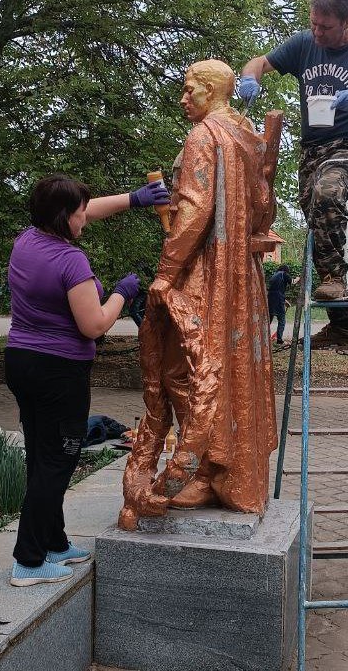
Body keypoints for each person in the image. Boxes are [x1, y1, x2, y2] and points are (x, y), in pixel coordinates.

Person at [118, 59, 280, 531]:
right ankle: (226, 472)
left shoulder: (203, 136)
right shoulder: (248, 135)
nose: (183, 98)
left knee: (189, 368)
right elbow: (263, 205)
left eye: (190, 90)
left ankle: (206, 469)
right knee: (228, 365)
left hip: (207, 273)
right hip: (240, 277)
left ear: (212, 91)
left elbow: (194, 209)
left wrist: (166, 273)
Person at [5, 173, 169, 586]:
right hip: (58, 373)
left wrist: (134, 199)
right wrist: (121, 293)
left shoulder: (28, 239)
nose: (85, 219)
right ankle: (28, 561)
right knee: (57, 463)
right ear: (63, 218)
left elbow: (87, 209)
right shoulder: (69, 260)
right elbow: (93, 325)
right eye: (78, 214)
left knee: (42, 457)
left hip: (22, 363)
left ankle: (55, 542)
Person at [239, 0, 348, 348]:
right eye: (313, 24)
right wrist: (250, 78)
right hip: (311, 150)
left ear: (347, 22)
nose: (317, 32)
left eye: (325, 27)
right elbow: (259, 62)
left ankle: (334, 279)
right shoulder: (304, 44)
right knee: (317, 217)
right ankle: (342, 325)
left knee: (328, 194)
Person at [267, 264, 300, 343]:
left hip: (270, 299)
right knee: (282, 320)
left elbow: (276, 290)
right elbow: (292, 282)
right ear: (286, 270)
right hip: (278, 299)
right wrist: (298, 278)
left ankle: (265, 337)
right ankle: (279, 340)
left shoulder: (274, 276)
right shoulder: (283, 274)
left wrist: (284, 301)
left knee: (269, 320)